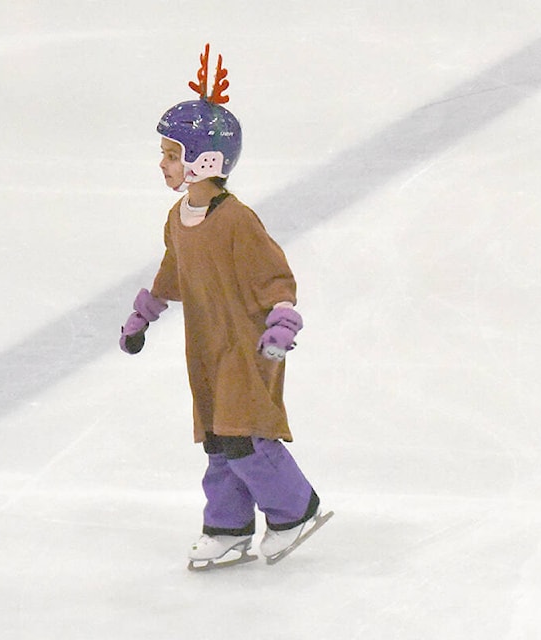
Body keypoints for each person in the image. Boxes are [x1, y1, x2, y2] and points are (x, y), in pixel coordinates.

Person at [119, 44, 326, 569]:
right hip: (207, 345)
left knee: (245, 435)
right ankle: (228, 525)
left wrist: (280, 322)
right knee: (217, 438)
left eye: (171, 154)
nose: (162, 163)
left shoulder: (237, 221)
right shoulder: (177, 217)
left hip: (247, 345)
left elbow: (274, 274)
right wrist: (145, 313)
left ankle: (294, 509)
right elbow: (174, 271)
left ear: (203, 161)